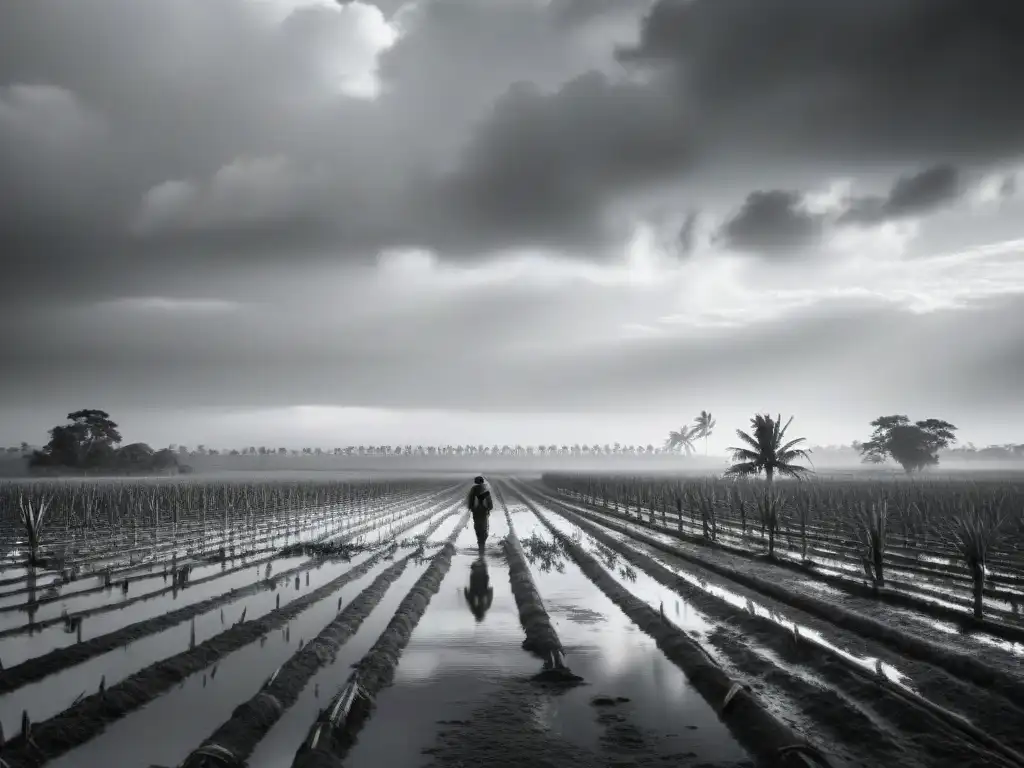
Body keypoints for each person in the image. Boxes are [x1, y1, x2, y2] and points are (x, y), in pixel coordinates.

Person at [466, 475, 494, 549]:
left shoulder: (473, 489)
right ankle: (483, 540)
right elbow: (489, 502)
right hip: (484, 511)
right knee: (484, 526)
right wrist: (489, 508)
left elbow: (470, 501)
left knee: (477, 526)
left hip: (476, 512)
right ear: (482, 481)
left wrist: (471, 508)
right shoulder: (485, 489)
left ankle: (479, 540)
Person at [464, 557, 493, 622]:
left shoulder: (485, 607)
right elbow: (468, 598)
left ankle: (480, 563)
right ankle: (478, 563)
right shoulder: (476, 608)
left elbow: (490, 595)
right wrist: (465, 591)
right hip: (476, 581)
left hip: (481, 582)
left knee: (481, 571)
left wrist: (490, 590)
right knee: (478, 572)